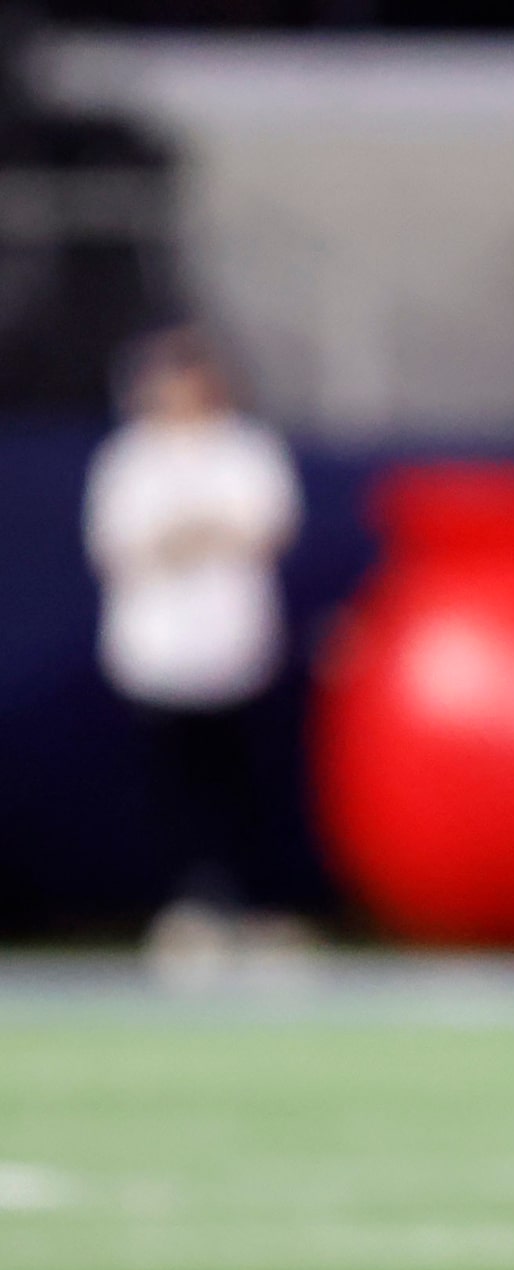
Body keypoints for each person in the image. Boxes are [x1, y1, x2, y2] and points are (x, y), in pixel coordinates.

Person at [85, 325, 302, 953]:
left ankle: (251, 905)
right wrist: (195, 534)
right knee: (172, 786)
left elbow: (263, 528)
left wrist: (191, 536)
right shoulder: (128, 458)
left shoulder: (247, 449)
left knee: (241, 781)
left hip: (236, 650)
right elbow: (123, 545)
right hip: (157, 653)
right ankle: (190, 906)